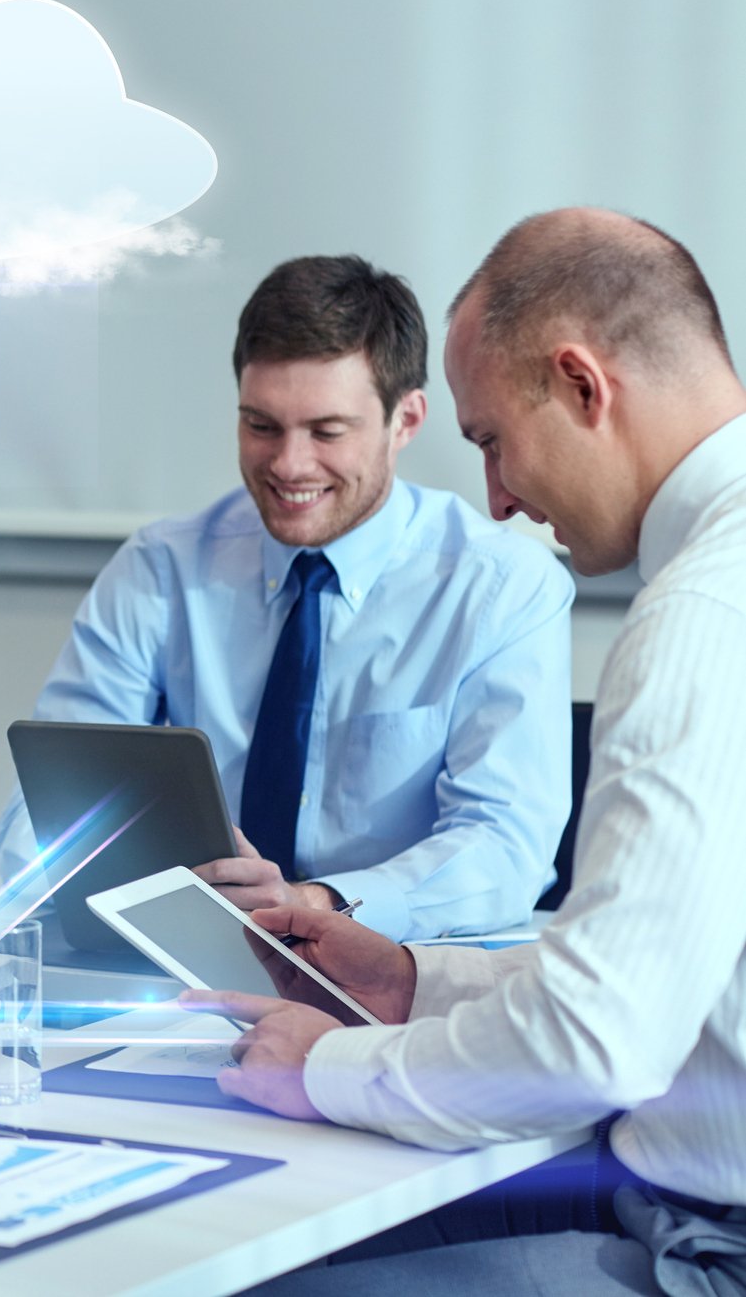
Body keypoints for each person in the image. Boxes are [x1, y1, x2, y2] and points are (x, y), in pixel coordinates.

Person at [194, 209, 746, 1294]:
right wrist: (412, 981)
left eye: (492, 439)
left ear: (584, 386)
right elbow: (669, 969)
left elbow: (601, 1038)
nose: (496, 497)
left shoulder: (702, 619)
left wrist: (331, 1064)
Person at [0, 255, 573, 941]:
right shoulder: (159, 569)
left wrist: (314, 905)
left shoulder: (500, 586)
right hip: (188, 963)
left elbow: (505, 851)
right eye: (260, 425)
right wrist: (107, 891)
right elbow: (39, 815)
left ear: (405, 420)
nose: (287, 465)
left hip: (395, 975)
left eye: (326, 432)